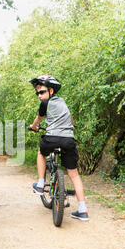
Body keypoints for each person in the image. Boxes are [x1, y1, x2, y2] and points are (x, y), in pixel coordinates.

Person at [29, 75, 89, 221]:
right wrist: (72, 125)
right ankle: (83, 210)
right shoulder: (63, 103)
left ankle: (41, 183)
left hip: (51, 138)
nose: (39, 96)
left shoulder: (45, 104)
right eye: (37, 93)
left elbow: (38, 120)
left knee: (40, 153)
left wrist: (34, 127)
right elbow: (70, 117)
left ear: (51, 90)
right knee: (74, 174)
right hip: (68, 140)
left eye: (41, 92)